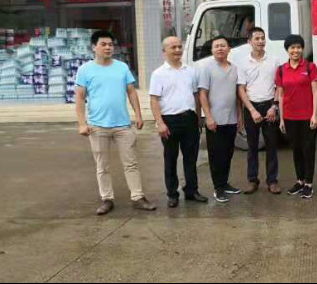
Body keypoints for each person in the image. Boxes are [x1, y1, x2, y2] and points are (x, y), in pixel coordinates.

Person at [75, 30, 156, 216]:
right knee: (102, 166)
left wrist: (138, 115)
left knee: (131, 163)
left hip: (122, 125)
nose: (108, 47)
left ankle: (138, 197)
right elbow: (79, 98)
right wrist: (82, 123)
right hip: (97, 125)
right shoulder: (85, 70)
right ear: (94, 47)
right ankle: (107, 199)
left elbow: (131, 92)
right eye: (103, 44)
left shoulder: (121, 67)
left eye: (110, 44)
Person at [149, 36, 208, 208]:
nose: (177, 50)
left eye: (179, 47)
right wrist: (160, 123)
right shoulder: (158, 74)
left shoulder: (190, 71)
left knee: (191, 158)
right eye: (173, 47)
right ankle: (172, 194)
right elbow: (154, 100)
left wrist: (199, 117)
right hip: (169, 121)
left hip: (189, 118)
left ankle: (191, 190)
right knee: (171, 158)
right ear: (164, 51)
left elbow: (196, 95)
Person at [237, 27, 282, 195]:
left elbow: (279, 86)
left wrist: (274, 106)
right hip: (252, 107)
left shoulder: (274, 60)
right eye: (257, 38)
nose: (261, 41)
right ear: (249, 41)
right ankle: (252, 179)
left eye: (263, 38)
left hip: (270, 106)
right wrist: (251, 110)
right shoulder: (242, 63)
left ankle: (272, 180)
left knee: (272, 145)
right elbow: (241, 89)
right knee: (252, 146)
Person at [276, 35, 317, 199]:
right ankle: (300, 181)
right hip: (290, 117)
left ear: (302, 49)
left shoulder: (310, 67)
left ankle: (308, 183)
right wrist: (282, 118)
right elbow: (281, 95)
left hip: (307, 117)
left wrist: (315, 114)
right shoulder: (281, 70)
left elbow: (316, 92)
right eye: (292, 47)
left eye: (298, 47)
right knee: (296, 149)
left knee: (308, 149)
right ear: (287, 50)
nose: (295, 50)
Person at [199, 36, 242, 204]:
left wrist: (239, 115)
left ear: (229, 49)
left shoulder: (235, 68)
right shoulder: (207, 69)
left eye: (223, 46)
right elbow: (203, 94)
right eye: (216, 46)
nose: (220, 49)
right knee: (216, 156)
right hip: (214, 121)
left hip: (231, 119)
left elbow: (237, 94)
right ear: (212, 50)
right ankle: (218, 188)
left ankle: (225, 183)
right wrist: (208, 117)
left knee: (228, 154)